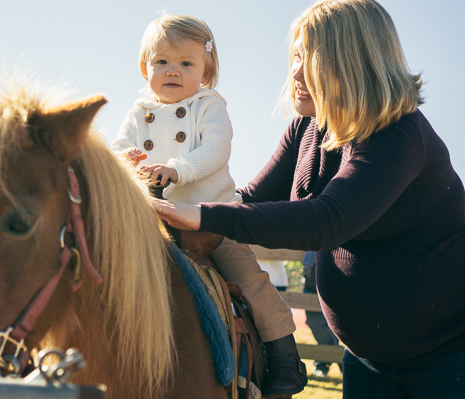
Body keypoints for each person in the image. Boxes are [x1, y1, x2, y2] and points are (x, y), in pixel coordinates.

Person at [153, 1, 465, 397]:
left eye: (313, 57)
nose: (295, 70)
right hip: (367, 358)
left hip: (449, 356)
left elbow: (326, 220)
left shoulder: (398, 134)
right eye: (297, 54)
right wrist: (165, 205)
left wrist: (199, 216)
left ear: (355, 62)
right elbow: (248, 200)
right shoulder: (307, 127)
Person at [112, 15, 307, 396]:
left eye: (186, 63)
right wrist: (125, 161)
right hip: (153, 225)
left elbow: (216, 149)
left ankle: (284, 356)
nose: (173, 71)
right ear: (144, 68)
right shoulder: (138, 113)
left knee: (250, 279)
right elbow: (117, 149)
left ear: (206, 71)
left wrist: (177, 169)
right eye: (162, 62)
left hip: (212, 224)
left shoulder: (209, 105)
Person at [302, 251, 342, 377]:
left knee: (334, 322)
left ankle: (326, 362)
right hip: (312, 276)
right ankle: (337, 359)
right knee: (314, 321)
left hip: (333, 270)